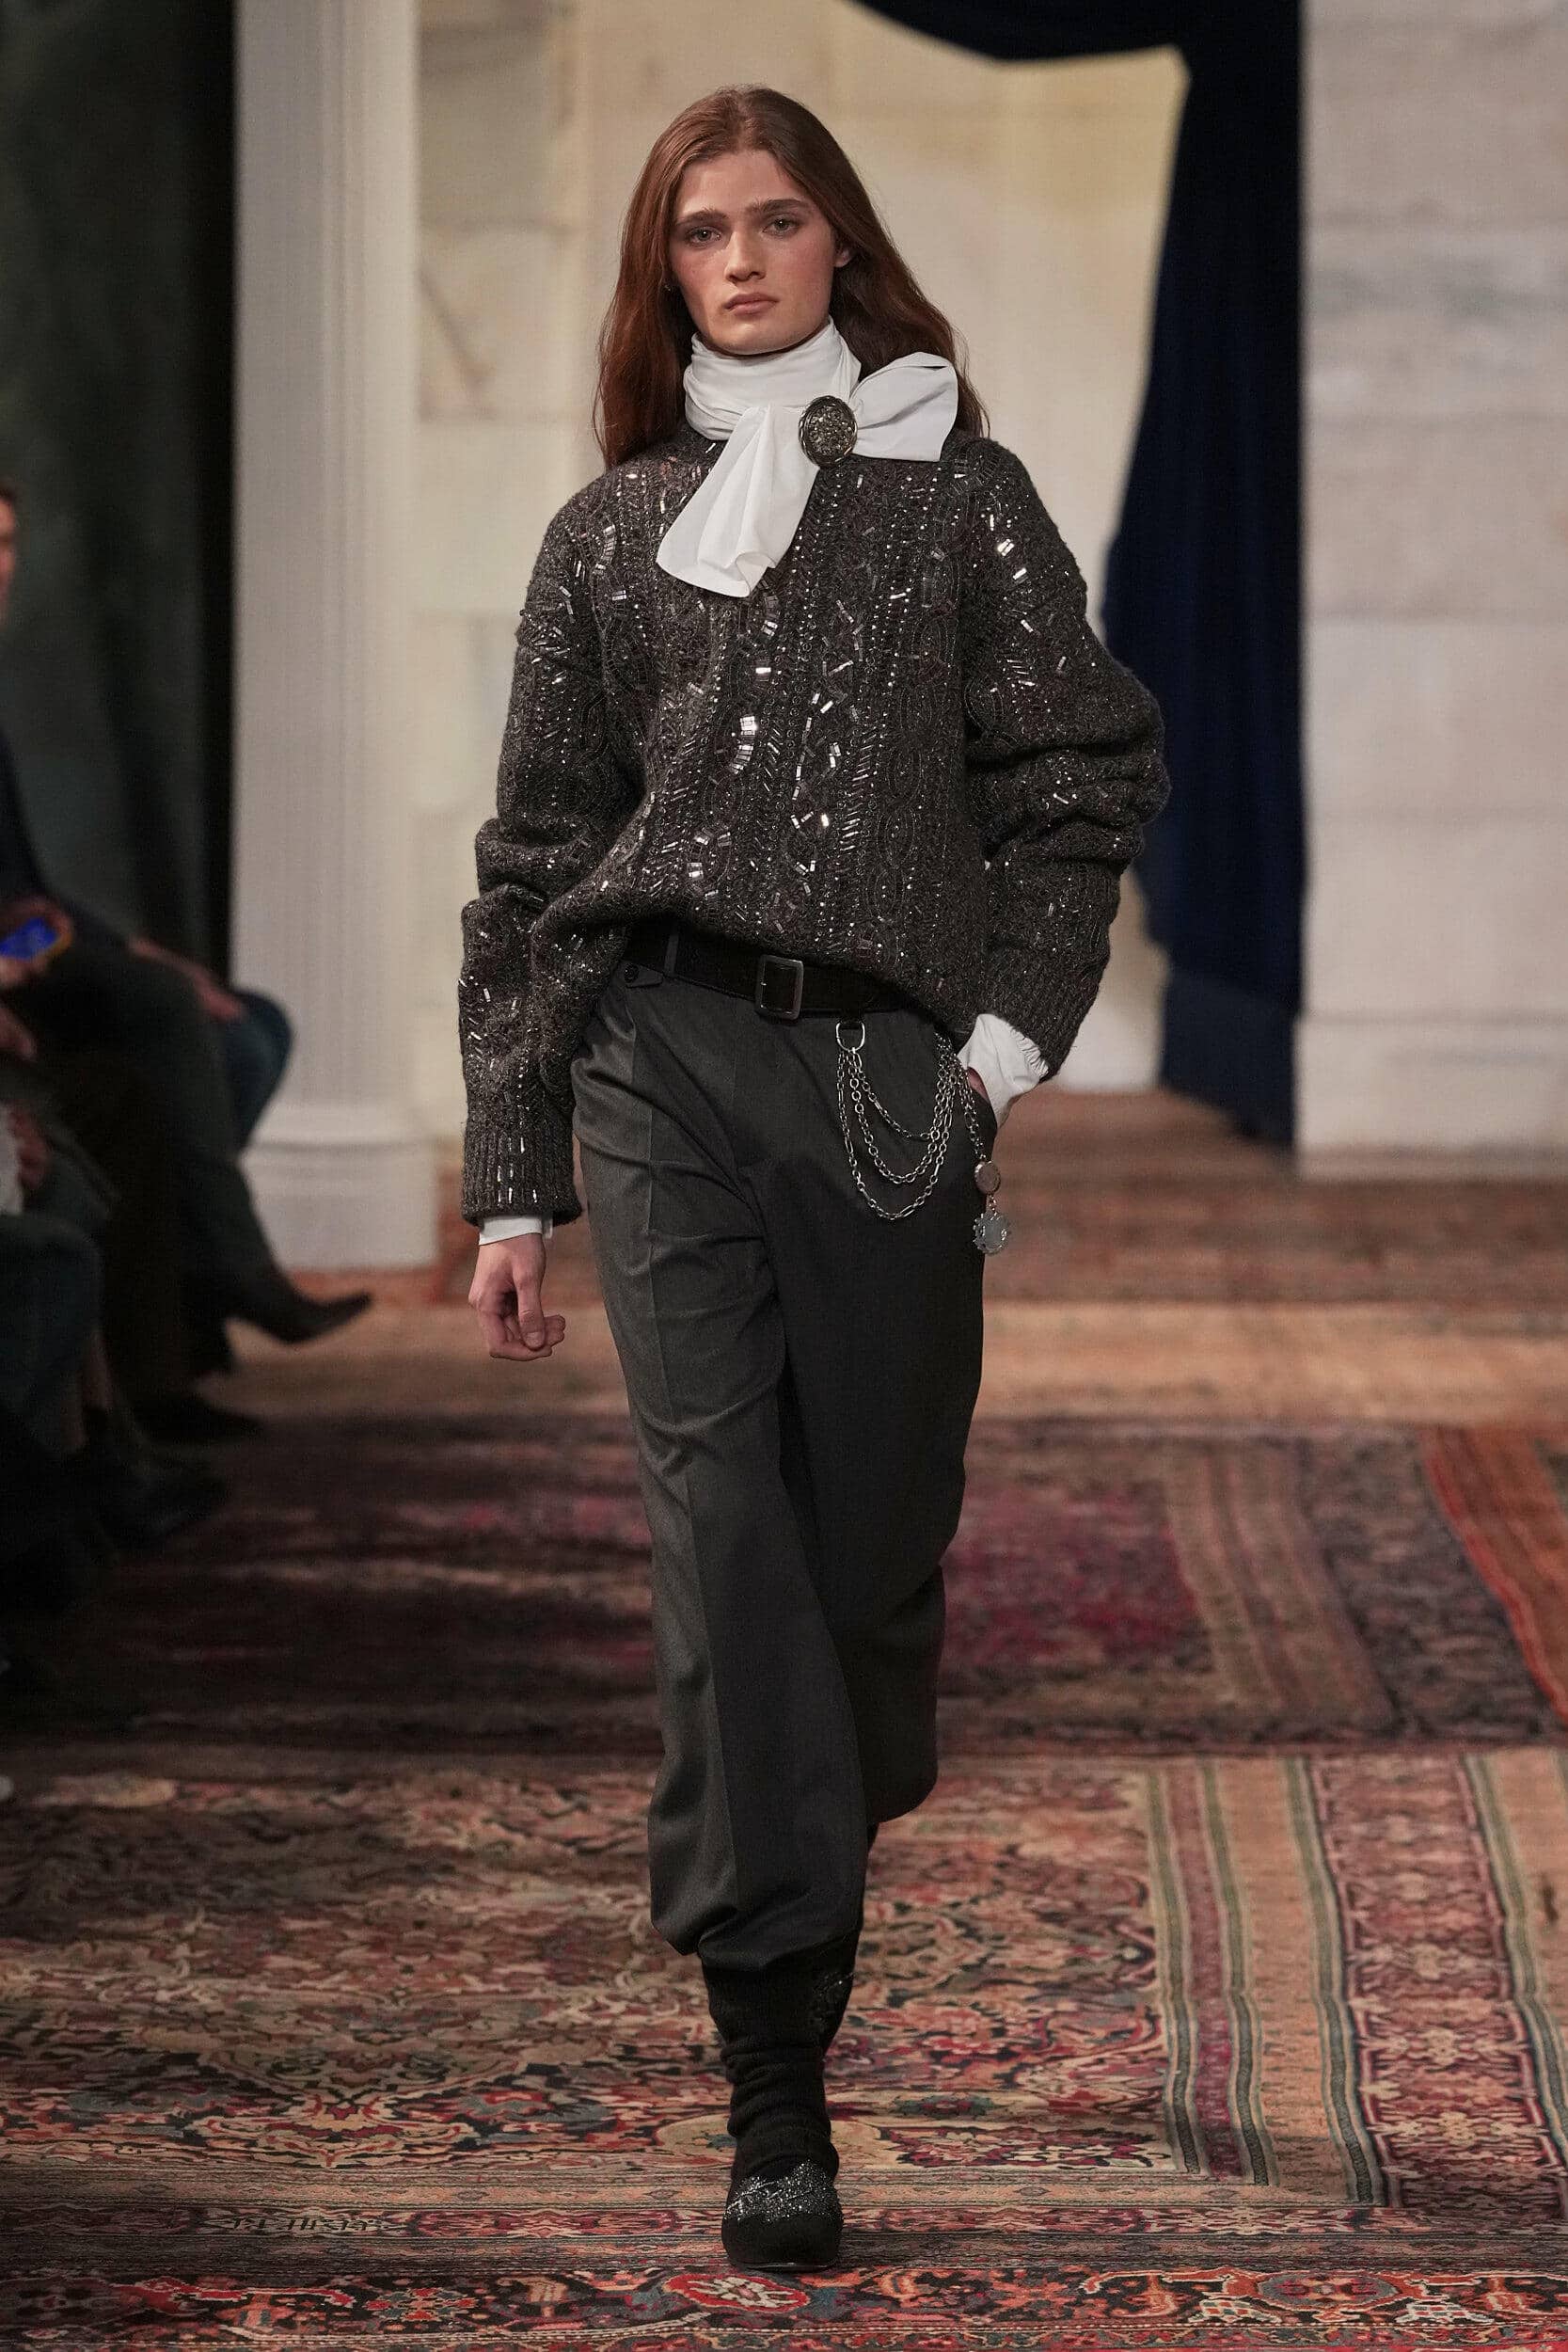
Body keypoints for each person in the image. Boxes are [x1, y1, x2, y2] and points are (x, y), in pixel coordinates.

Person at [459, 87, 1169, 2270]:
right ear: (662, 270)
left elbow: (1078, 778)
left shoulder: (961, 505)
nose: (740, 261)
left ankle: (818, 1814)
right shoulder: (609, 536)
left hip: (882, 1079)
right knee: (725, 1538)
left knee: (863, 1555)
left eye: (775, 222)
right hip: (656, 1056)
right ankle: (774, 2073)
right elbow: (535, 862)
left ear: (838, 244)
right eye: (700, 232)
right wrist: (511, 1177)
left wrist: (994, 1056)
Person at [0, 476, 372, 1398]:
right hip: (17, 977)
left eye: (5, 544)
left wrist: (126, 945)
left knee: (252, 1027)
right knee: (165, 1014)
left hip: (30, 952)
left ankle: (194, 1304)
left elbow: (29, 891)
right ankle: (231, 1280)